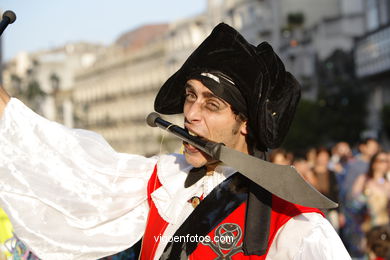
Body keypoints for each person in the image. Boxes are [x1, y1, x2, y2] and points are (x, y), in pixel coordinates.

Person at [0, 23, 349, 259]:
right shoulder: (161, 177)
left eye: (212, 105)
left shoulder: (297, 226)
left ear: (245, 125)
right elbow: (66, 163)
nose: (192, 114)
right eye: (190, 96)